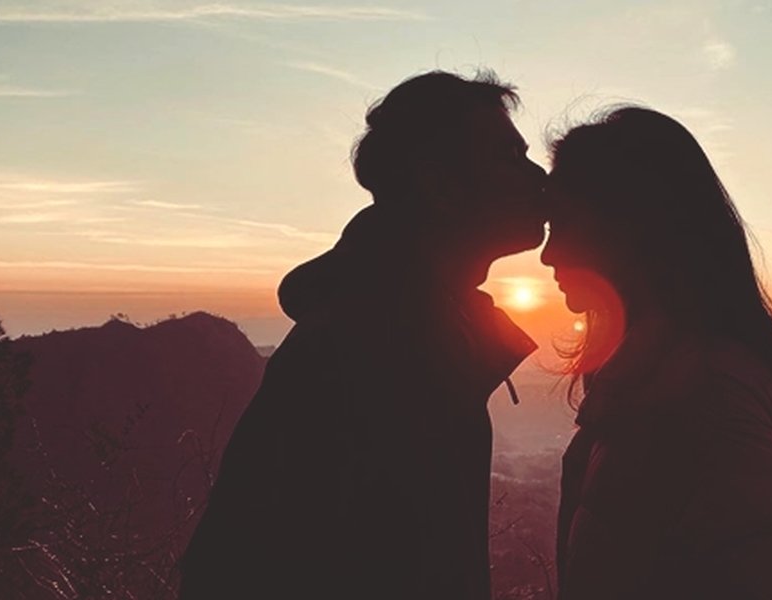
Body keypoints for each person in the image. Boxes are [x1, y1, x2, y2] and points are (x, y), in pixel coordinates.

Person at [179, 70, 547, 599]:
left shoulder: (410, 319)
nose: (538, 178)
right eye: (510, 159)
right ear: (438, 185)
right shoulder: (380, 345)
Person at [541, 106, 772, 599]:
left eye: (562, 224)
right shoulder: (669, 379)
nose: (548, 254)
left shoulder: (700, 396)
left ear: (630, 230)